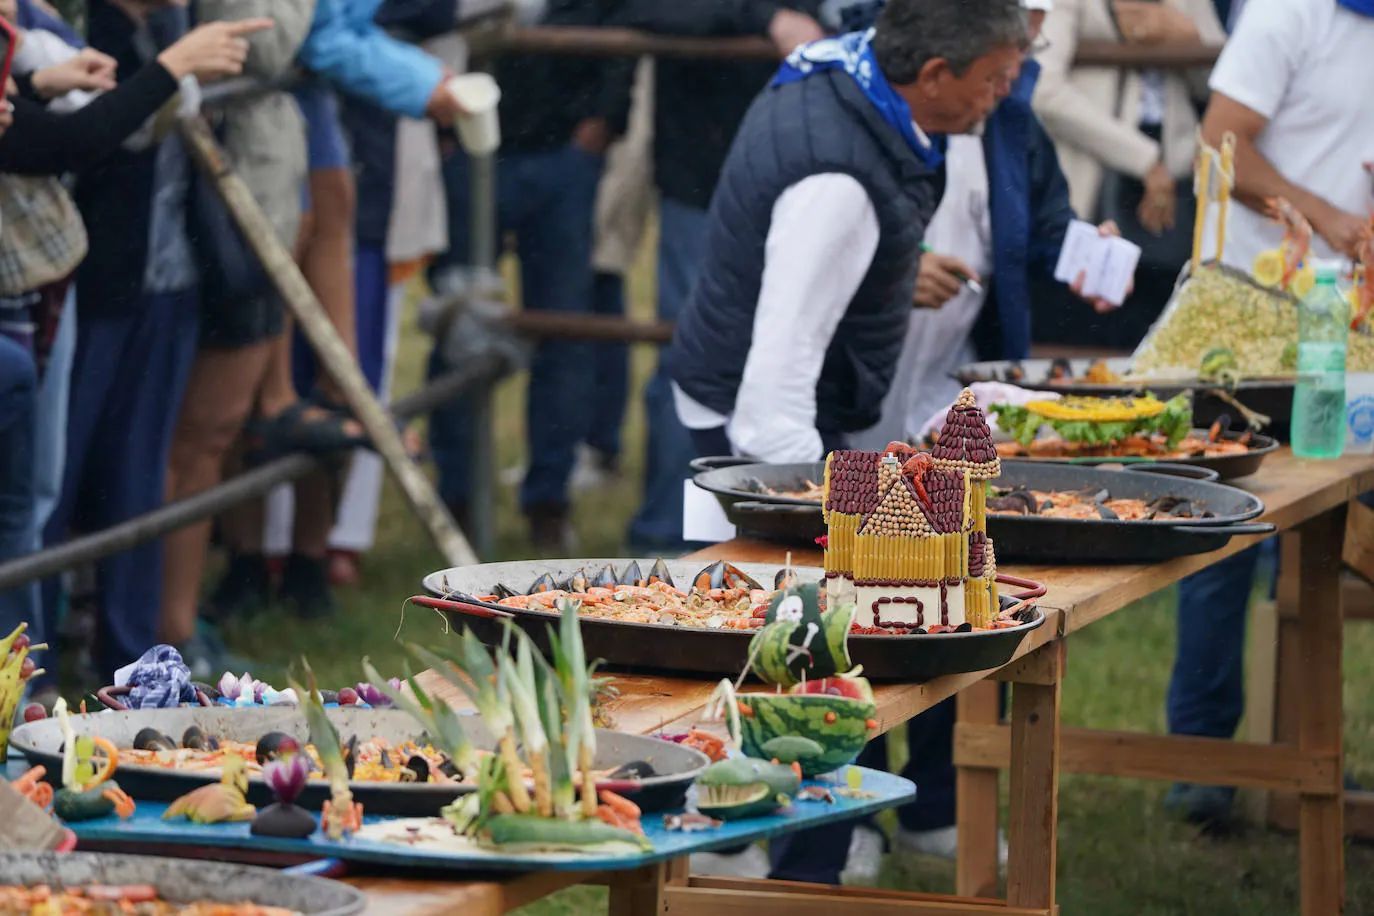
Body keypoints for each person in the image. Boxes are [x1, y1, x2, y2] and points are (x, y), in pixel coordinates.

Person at [664, 0, 1030, 883]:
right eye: (993, 81)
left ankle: (770, 847)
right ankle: (790, 870)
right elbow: (774, 388)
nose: (1001, 98)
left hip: (789, 424)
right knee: (807, 664)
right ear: (934, 74)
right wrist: (826, 541)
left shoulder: (847, 76)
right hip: (764, 442)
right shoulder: (839, 180)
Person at [852, 0, 1126, 862]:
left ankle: (938, 801)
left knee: (961, 587)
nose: (1004, 86)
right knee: (857, 589)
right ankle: (849, 806)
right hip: (858, 391)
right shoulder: (861, 104)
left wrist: (1087, 249)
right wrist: (897, 275)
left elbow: (1039, 221)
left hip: (954, 387)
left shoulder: (1007, 118)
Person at [1165, 0, 1374, 824]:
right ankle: (1202, 762)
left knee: (1339, 543)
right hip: (1249, 326)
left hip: (1354, 332)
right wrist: (1329, 219)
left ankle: (1314, 759)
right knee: (1225, 533)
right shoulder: (1292, 10)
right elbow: (1218, 144)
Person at [29, 0, 271, 684]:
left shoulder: (167, 23)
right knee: (54, 484)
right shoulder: (78, 27)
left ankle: (135, 667)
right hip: (93, 284)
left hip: (170, 281)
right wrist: (171, 71)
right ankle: (32, 672)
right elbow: (85, 140)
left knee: (140, 482)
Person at [618, 0, 827, 554]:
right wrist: (765, 17)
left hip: (802, 172)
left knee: (793, 355)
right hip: (705, 177)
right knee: (693, 364)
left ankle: (769, 536)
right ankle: (672, 542)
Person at [427, 0, 633, 555]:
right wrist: (443, 132)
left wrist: (597, 129)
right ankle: (458, 496)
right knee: (460, 322)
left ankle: (548, 499)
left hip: (561, 154)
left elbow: (621, 27)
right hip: (472, 150)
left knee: (563, 330)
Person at [1029, 0, 1223, 349]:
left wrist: (1186, 38)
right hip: (1093, 174)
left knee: (1162, 329)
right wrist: (1145, 161)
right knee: (1080, 326)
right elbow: (1042, 89)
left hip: (1179, 179)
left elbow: (1221, 90)